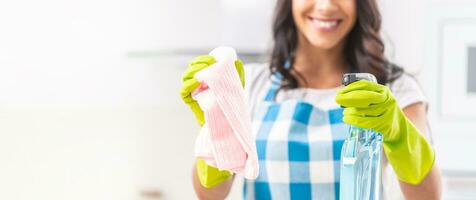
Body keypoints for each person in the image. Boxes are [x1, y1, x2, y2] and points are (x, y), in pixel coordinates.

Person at [180, 0, 442, 199]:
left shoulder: (395, 87)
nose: (326, 6)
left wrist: (397, 132)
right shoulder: (251, 84)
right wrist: (218, 129)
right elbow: (210, 195)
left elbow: (428, 195)